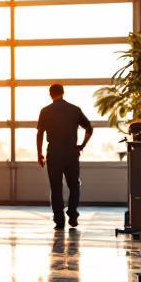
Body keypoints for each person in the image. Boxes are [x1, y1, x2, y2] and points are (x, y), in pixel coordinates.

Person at [36, 83, 93, 230]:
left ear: (50, 94)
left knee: (55, 187)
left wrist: (39, 153)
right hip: (70, 151)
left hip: (54, 152)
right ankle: (72, 213)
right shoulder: (74, 109)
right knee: (74, 184)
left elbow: (40, 133)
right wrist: (81, 146)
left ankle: (59, 220)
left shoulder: (45, 111)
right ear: (63, 93)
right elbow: (89, 128)